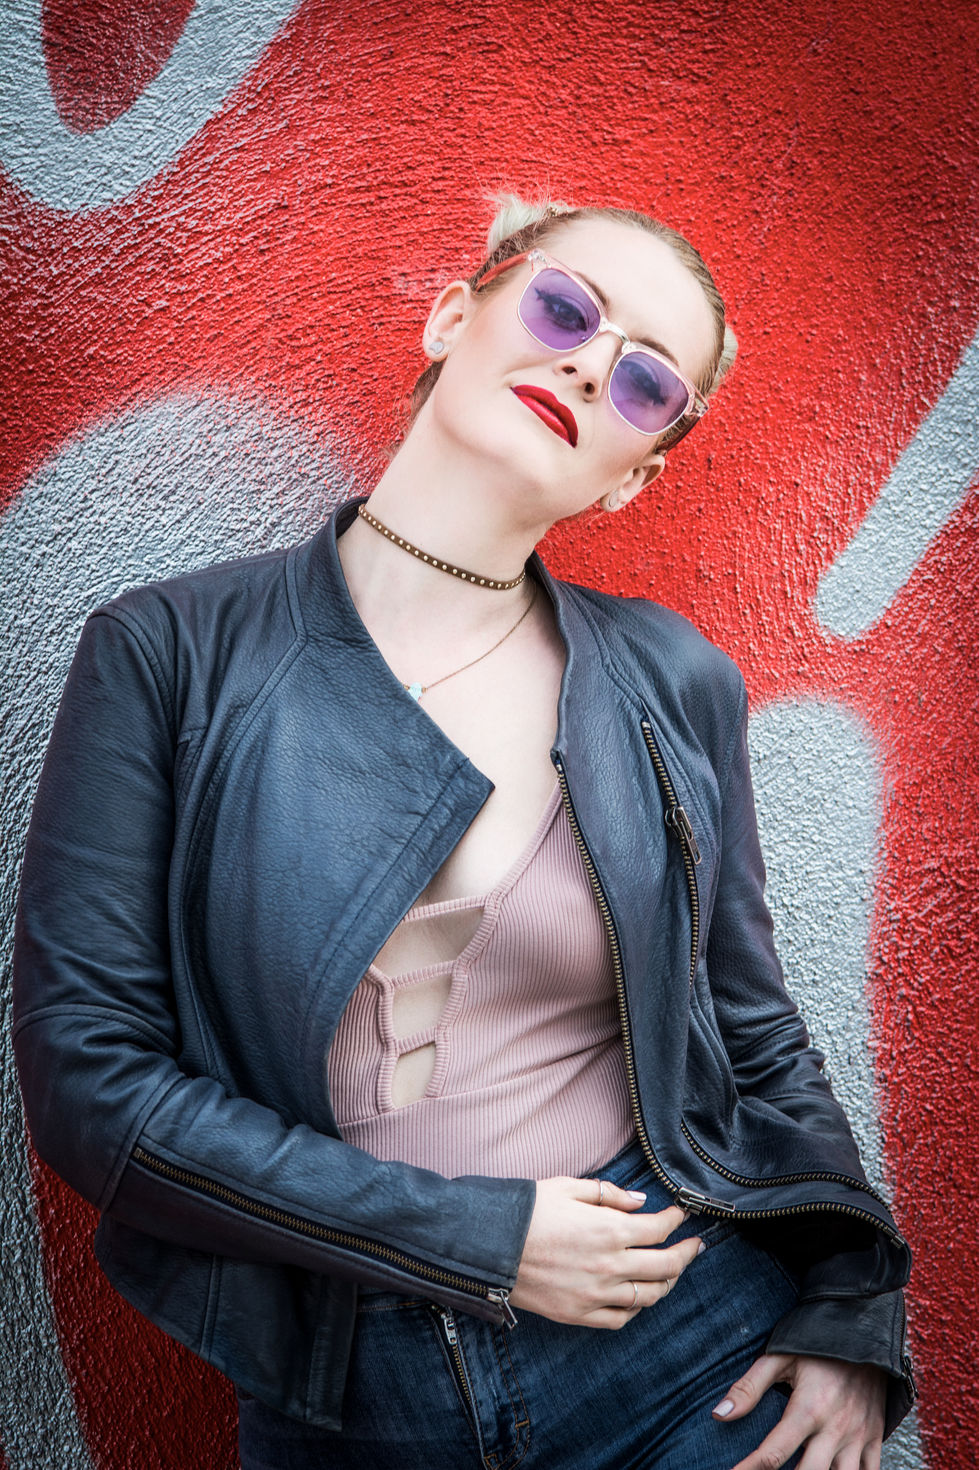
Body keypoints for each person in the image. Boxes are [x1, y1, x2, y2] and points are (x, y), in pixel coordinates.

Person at [13, 195, 914, 1470]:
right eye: (564, 308)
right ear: (454, 315)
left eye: (647, 382)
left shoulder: (671, 681)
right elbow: (92, 1085)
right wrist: (476, 1238)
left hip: (685, 1347)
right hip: (348, 1391)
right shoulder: (170, 655)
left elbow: (753, 1029)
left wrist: (851, 1306)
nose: (593, 364)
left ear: (632, 475)